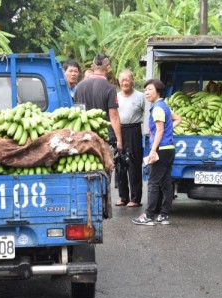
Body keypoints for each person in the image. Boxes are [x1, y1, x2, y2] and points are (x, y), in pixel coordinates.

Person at [133, 79, 181, 226]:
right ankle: (164, 215)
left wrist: (153, 150)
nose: (146, 92)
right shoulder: (164, 106)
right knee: (166, 183)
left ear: (158, 91)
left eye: (150, 89)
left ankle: (148, 216)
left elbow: (159, 130)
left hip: (161, 149)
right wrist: (168, 130)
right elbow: (178, 119)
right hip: (169, 149)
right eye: (145, 90)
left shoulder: (158, 108)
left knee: (153, 183)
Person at [74, 53, 122, 151]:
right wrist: (120, 140)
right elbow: (114, 116)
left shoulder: (79, 86)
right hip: (105, 136)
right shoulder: (110, 88)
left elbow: (77, 113)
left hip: (85, 136)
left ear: (92, 67)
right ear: (108, 67)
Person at [115, 69, 145, 208]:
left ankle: (135, 198)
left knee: (134, 165)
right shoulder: (115, 96)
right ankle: (123, 197)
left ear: (132, 81)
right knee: (120, 164)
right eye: (122, 80)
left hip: (134, 130)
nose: (124, 82)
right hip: (119, 130)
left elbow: (149, 113)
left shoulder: (141, 96)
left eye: (127, 79)